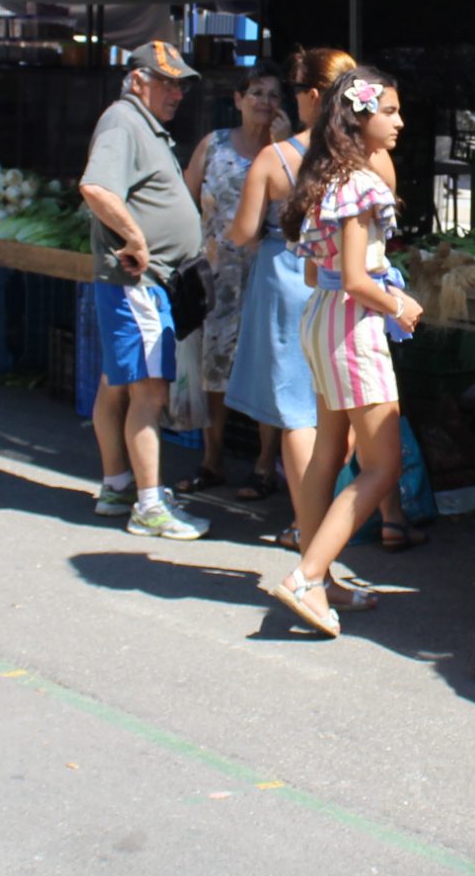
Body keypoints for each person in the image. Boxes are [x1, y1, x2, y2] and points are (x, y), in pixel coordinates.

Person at [262, 66, 426, 637]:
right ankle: (307, 578)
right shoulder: (361, 185)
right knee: (381, 466)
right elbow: (356, 278)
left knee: (330, 452)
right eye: (390, 112)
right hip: (353, 327)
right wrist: (397, 304)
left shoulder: (324, 180)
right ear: (360, 117)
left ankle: (321, 577)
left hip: (323, 321)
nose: (400, 122)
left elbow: (317, 273)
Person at [77, 40, 211, 542]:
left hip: (149, 284)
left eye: (181, 83)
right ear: (138, 81)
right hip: (139, 282)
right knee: (149, 394)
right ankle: (149, 506)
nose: (177, 92)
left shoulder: (143, 125)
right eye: (167, 81)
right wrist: (134, 237)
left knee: (120, 384)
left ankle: (117, 488)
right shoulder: (123, 121)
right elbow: (96, 187)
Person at [226, 47, 359, 550]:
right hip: (343, 281)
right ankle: (321, 519)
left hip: (285, 275)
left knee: (297, 413)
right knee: (337, 406)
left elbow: (241, 231)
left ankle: (308, 524)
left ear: (308, 97)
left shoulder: (274, 158)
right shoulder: (360, 156)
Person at [176, 69, 288, 496]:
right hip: (217, 277)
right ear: (238, 99)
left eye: (272, 94)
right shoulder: (215, 145)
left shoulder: (286, 152)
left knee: (266, 367)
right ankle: (212, 459)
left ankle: (264, 466)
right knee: (214, 368)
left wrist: (282, 144)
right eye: (255, 93)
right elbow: (185, 197)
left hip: (266, 277)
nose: (263, 101)